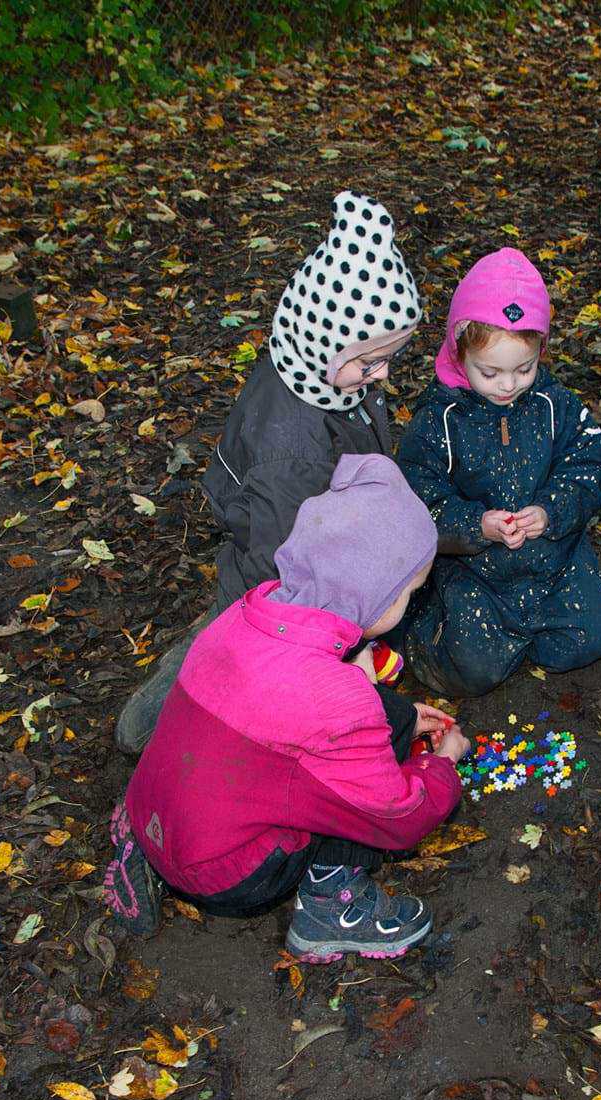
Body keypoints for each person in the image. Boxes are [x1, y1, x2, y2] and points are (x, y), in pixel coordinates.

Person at [103, 454, 471, 961]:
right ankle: (329, 905)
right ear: (372, 594)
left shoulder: (249, 612)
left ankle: (141, 848)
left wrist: (401, 718)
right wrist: (439, 765)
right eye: (409, 590)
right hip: (228, 874)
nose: (413, 599)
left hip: (153, 810)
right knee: (344, 802)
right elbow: (396, 816)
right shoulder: (338, 698)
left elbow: (293, 700)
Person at [114, 191, 422, 753]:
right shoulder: (295, 448)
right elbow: (275, 556)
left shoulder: (322, 375)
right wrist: (312, 633)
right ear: (321, 338)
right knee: (231, 648)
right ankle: (155, 722)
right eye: (368, 361)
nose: (379, 375)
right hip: (269, 569)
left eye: (388, 359)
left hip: (310, 536)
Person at [394, 247, 601, 698]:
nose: (508, 385)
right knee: (472, 672)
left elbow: (587, 465)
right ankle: (425, 631)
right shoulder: (440, 421)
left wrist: (551, 511)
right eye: (490, 372)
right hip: (474, 570)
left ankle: (525, 637)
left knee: (592, 639)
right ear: (459, 354)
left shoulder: (558, 406)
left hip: (554, 559)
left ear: (540, 352)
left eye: (524, 368)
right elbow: (417, 498)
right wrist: (476, 526)